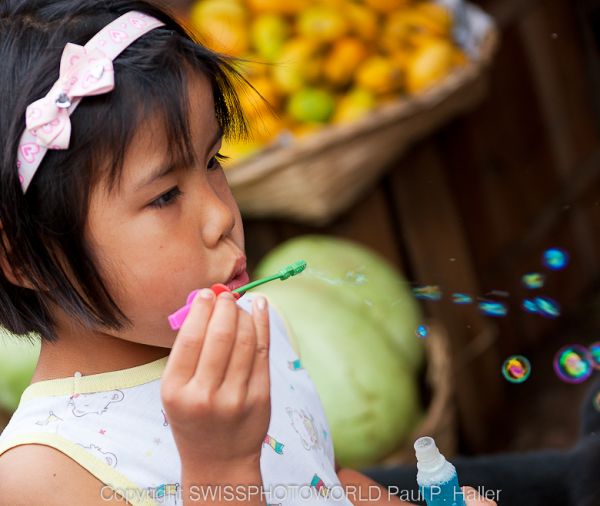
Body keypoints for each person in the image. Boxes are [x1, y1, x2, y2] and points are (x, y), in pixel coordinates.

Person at [0, 1, 497, 505]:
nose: (222, 216)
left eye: (213, 160)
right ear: (22, 256)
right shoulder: (43, 473)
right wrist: (221, 466)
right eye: (165, 195)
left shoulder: (247, 328)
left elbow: (325, 479)